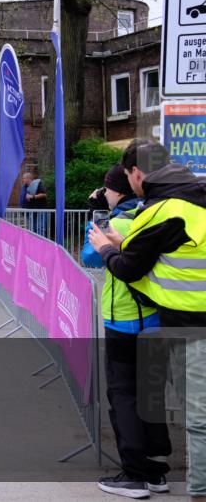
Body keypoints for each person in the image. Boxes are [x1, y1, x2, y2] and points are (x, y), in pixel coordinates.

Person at [89, 140, 206, 501]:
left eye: (126, 177)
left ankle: (174, 484)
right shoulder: (196, 195)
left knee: (194, 415)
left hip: (175, 324)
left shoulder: (158, 212)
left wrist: (107, 249)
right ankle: (156, 472)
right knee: (157, 396)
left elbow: (129, 268)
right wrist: (126, 244)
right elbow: (173, 250)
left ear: (136, 173)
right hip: (171, 323)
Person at [86, 164, 172, 498]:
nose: (103, 194)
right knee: (151, 394)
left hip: (123, 319)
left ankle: (134, 474)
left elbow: (90, 257)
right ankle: (156, 473)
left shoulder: (117, 223)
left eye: (106, 189)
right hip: (154, 317)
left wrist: (94, 217)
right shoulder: (151, 218)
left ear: (117, 190)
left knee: (123, 394)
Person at [20, 171, 49, 237]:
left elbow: (44, 194)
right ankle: (34, 243)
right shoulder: (24, 187)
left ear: (28, 178)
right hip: (30, 211)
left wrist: (33, 196)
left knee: (41, 228)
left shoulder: (38, 184)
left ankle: (41, 243)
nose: (23, 180)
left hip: (40, 209)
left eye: (24, 178)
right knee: (33, 229)